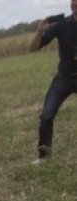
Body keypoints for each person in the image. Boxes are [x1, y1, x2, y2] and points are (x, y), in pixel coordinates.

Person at [29, 2, 77, 165]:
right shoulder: (62, 25)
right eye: (73, 3)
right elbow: (33, 48)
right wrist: (39, 31)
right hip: (64, 78)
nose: (75, 5)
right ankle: (44, 156)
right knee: (47, 116)